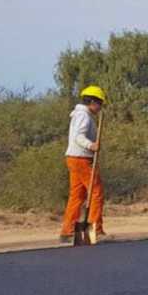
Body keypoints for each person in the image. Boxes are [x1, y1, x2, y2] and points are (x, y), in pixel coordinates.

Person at [60, 85, 107, 243]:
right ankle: (95, 229)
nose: (100, 108)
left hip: (74, 158)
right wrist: (91, 146)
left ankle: (68, 231)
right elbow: (78, 137)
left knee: (77, 195)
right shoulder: (83, 116)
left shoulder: (80, 115)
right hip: (81, 158)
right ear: (92, 102)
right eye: (99, 104)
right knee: (96, 192)